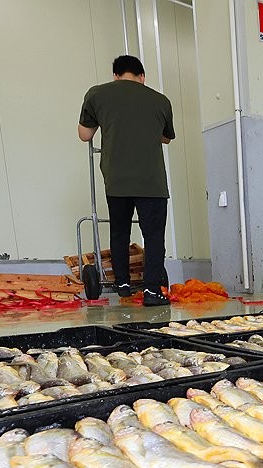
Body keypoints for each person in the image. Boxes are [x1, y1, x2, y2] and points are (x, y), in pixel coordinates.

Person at [79, 55, 175, 306]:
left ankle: (122, 284)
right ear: (142, 77)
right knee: (154, 236)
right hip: (151, 182)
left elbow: (84, 134)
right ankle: (152, 292)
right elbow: (166, 138)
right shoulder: (160, 100)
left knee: (119, 231)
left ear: (116, 75)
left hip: (117, 179)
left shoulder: (97, 94)